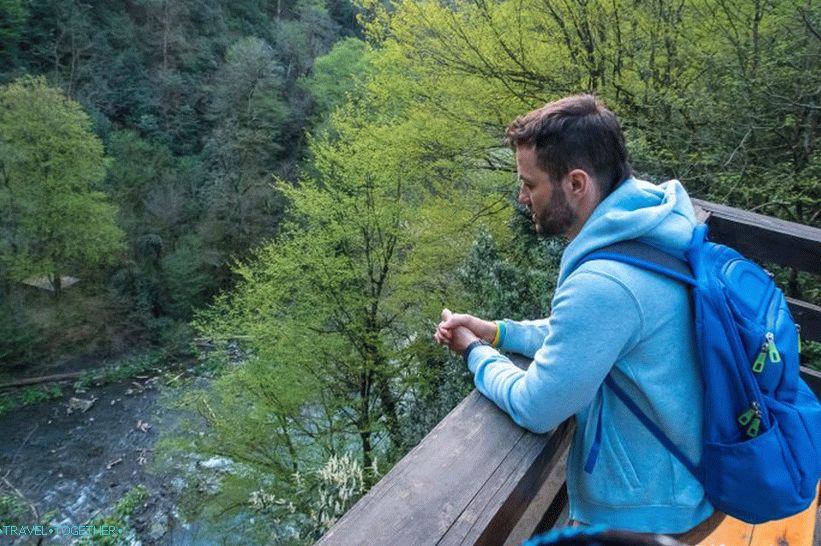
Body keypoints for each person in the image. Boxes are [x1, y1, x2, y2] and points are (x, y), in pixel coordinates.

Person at [434, 95, 715, 536]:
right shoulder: (650, 226)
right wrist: (499, 333)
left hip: (646, 513)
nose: (521, 196)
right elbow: (588, 333)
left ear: (577, 183)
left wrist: (472, 352)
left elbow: (536, 406)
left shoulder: (605, 284)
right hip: (682, 482)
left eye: (530, 183)